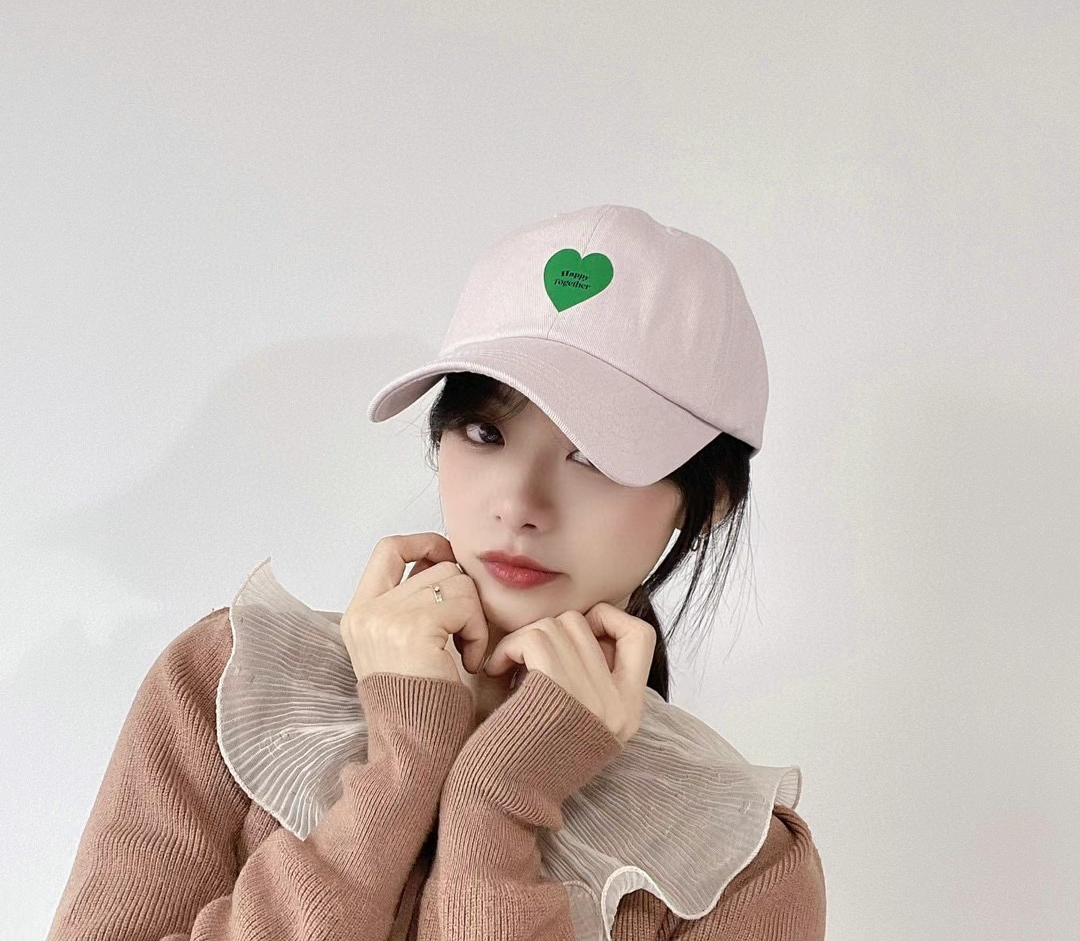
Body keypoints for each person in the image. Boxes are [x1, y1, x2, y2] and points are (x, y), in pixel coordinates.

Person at [45, 204, 827, 940]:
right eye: (485, 431)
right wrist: (398, 772)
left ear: (708, 500)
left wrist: (500, 804)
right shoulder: (224, 682)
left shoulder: (746, 865)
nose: (518, 504)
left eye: (593, 456)